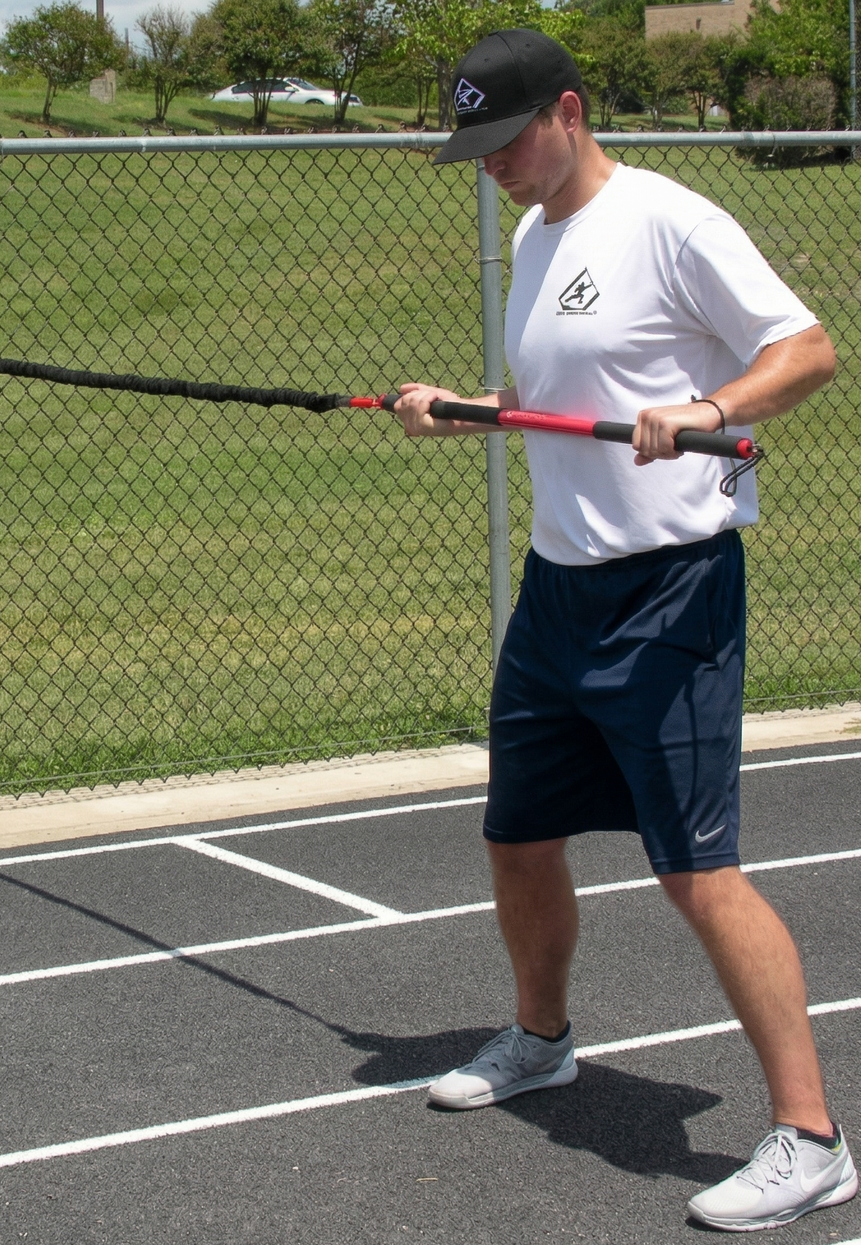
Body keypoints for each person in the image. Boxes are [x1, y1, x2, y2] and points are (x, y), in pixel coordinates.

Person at [392, 28, 855, 1233]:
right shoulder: (537, 241)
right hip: (559, 593)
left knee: (697, 873)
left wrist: (707, 406)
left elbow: (808, 350)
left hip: (668, 597)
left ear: (571, 112)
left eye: (503, 142)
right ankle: (542, 1040)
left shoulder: (670, 221)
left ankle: (813, 1138)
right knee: (518, 837)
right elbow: (569, 405)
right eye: (475, 150)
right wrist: (473, 414)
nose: (490, 167)